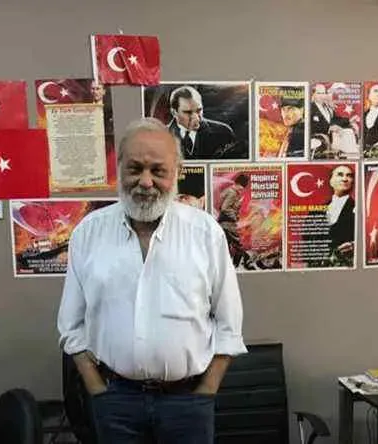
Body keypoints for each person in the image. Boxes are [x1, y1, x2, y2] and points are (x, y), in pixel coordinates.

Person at [57, 117, 246, 444]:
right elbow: (70, 325)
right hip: (115, 401)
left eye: (158, 170)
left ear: (176, 172)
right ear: (119, 167)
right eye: (135, 169)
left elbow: (230, 324)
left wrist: (206, 390)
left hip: (187, 403)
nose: (145, 182)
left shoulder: (205, 233)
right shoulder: (88, 233)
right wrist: (97, 389)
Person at [167, 85, 237, 159]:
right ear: (174, 113)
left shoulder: (224, 133)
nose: (196, 118)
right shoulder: (161, 136)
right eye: (188, 112)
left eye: (199, 110)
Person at [310, 83, 359, 159]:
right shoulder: (310, 107)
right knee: (345, 135)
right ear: (313, 94)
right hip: (321, 138)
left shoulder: (327, 107)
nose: (322, 96)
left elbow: (335, 120)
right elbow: (312, 126)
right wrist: (329, 128)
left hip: (333, 136)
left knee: (349, 131)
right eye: (319, 93)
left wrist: (349, 120)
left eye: (323, 93)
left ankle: (352, 158)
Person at [217, 174, 252, 269]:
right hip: (229, 223)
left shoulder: (227, 191)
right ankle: (236, 264)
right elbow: (225, 208)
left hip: (222, 223)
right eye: (242, 187)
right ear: (238, 184)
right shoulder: (232, 193)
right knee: (238, 244)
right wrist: (235, 217)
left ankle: (228, 265)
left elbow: (221, 206)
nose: (242, 190)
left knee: (226, 245)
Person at [326, 165, 355, 266]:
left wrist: (353, 245)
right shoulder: (316, 210)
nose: (345, 179)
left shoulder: (359, 207)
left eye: (349, 176)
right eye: (340, 175)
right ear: (331, 181)